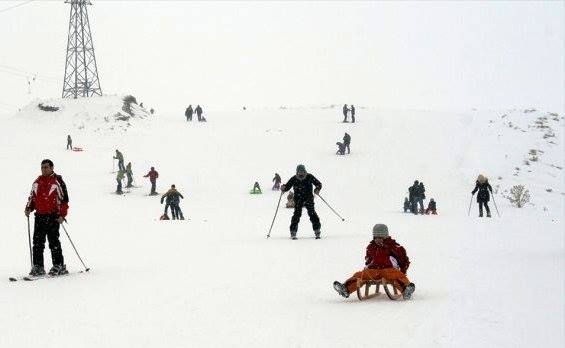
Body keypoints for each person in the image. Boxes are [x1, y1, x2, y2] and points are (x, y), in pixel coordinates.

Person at [333, 224, 415, 300]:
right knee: (359, 275)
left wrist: (403, 270)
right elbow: (368, 259)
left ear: (386, 236)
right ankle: (345, 289)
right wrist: (368, 263)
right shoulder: (371, 247)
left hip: (389, 269)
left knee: (397, 276)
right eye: (376, 237)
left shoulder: (393, 246)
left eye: (381, 237)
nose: (378, 239)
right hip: (373, 271)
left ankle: (406, 289)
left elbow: (403, 259)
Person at [25, 159, 70, 277]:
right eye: (42, 167)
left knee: (53, 241)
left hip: (53, 216)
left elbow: (64, 200)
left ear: (52, 167)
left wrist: (62, 215)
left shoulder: (57, 181)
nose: (44, 169)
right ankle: (38, 267)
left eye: (46, 167)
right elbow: (32, 198)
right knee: (38, 243)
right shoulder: (36, 182)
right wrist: (29, 208)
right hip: (39, 216)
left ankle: (58, 265)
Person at [281, 164, 322, 239]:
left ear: (305, 171)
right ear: (297, 172)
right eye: (299, 171)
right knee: (297, 214)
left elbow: (318, 184)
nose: (301, 173)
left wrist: (317, 189)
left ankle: (317, 230)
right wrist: (284, 187)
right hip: (298, 199)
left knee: (312, 213)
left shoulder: (309, 177)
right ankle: (293, 231)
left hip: (308, 198)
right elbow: (287, 186)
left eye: (302, 171)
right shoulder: (294, 178)